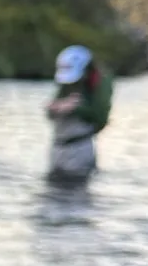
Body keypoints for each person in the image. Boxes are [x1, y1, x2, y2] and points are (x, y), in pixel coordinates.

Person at [46, 44, 113, 179]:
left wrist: (76, 108)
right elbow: (50, 113)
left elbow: (100, 118)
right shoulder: (64, 85)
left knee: (77, 189)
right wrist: (55, 108)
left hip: (80, 148)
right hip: (58, 147)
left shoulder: (100, 83)